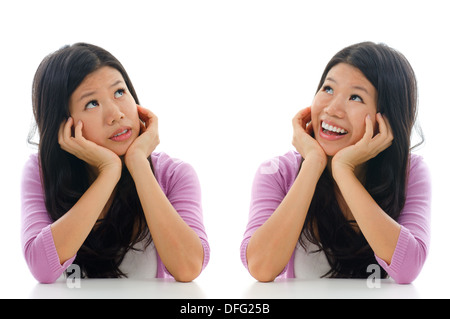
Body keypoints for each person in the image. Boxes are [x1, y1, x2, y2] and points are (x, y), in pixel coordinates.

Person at [241, 42, 431, 284]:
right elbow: (261, 267)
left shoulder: (411, 172)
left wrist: (344, 171)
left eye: (355, 97)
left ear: (386, 119)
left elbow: (408, 269)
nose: (332, 109)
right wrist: (312, 164)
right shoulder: (278, 173)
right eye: (328, 89)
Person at [21, 43, 209, 283]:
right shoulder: (39, 173)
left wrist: (138, 163)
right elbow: (42, 268)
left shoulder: (173, 175)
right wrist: (108, 172)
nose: (116, 114)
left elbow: (188, 268)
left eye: (119, 92)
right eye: (92, 103)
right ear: (64, 124)